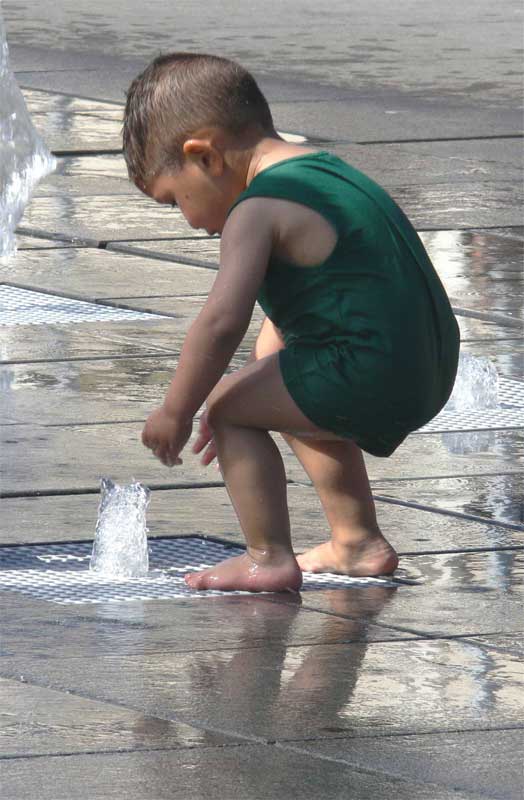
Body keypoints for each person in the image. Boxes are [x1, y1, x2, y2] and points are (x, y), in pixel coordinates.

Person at [123, 53, 460, 593]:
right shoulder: (324, 172)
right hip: (430, 366)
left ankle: (267, 557)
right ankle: (356, 541)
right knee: (270, 356)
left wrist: (178, 409)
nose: (187, 220)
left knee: (230, 409)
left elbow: (219, 321)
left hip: (374, 371)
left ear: (204, 156)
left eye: (173, 200)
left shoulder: (255, 210)